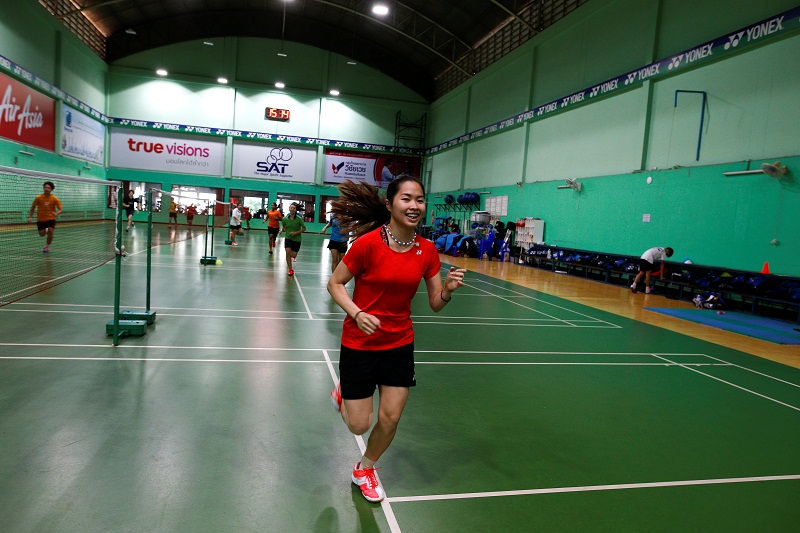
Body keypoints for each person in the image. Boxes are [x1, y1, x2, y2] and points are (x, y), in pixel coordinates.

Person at [326, 177, 466, 503]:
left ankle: (365, 469)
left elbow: (435, 303)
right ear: (390, 204)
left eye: (419, 199)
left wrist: (447, 290)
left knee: (390, 418)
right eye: (406, 198)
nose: (414, 205)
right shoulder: (366, 244)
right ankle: (344, 392)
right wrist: (357, 312)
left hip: (399, 343)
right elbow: (335, 284)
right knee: (359, 425)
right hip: (360, 341)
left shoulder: (427, 250)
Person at [27, 181, 63, 253]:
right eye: (45, 187)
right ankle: (46, 230)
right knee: (42, 234)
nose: (46, 189)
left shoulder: (54, 198)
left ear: (51, 189)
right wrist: (30, 216)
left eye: (48, 188)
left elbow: (61, 209)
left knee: (51, 231)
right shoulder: (38, 197)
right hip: (41, 219)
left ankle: (47, 246)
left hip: (51, 218)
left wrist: (56, 213)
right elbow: (33, 207)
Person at [279, 203, 306, 275]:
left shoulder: (299, 219)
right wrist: (281, 230)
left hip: (297, 239)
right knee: (287, 253)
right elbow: (283, 226)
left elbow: (304, 228)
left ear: (296, 210)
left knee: (293, 255)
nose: (292, 209)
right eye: (291, 208)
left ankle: (292, 258)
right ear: (289, 209)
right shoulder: (285, 219)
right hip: (288, 238)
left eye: (294, 208)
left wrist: (296, 232)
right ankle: (290, 269)